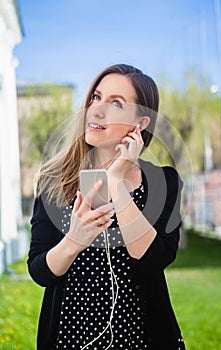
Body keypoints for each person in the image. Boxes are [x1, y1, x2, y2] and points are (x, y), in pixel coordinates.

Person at [28, 64, 186, 350]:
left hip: (139, 337)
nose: (97, 110)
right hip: (71, 335)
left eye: (116, 103)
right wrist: (74, 240)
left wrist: (115, 181)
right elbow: (40, 271)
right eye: (96, 98)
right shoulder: (53, 181)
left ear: (140, 124)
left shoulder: (164, 181)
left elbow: (153, 259)